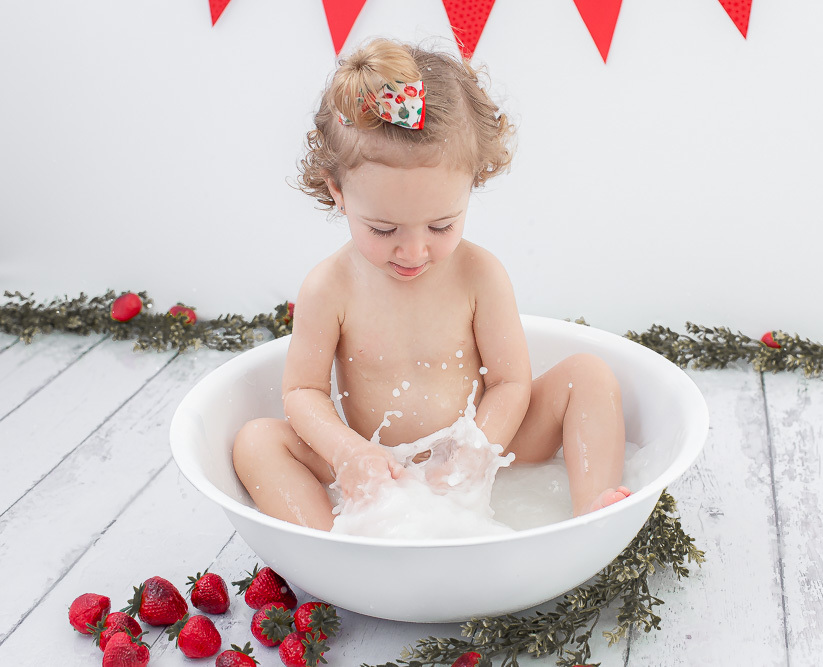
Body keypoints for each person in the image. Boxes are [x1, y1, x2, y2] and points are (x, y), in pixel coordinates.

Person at [232, 39, 631, 531]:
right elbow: (302, 392)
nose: (414, 251)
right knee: (256, 441)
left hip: (485, 447)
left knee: (588, 375)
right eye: (383, 230)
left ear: (472, 184)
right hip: (376, 465)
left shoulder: (479, 274)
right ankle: (336, 542)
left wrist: (477, 450)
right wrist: (349, 454)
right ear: (338, 193)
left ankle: (593, 512)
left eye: (441, 226)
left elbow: (509, 383)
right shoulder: (328, 287)